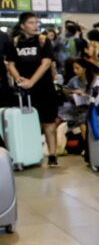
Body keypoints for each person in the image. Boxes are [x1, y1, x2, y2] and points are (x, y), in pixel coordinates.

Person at [5, 12, 61, 166]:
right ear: (22, 25)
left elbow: (46, 63)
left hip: (44, 87)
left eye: (36, 22)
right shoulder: (14, 43)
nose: (35, 25)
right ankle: (30, 153)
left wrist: (32, 81)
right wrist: (19, 79)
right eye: (31, 22)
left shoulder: (43, 41)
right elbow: (11, 64)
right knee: (28, 121)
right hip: (24, 89)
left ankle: (52, 154)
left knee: (49, 122)